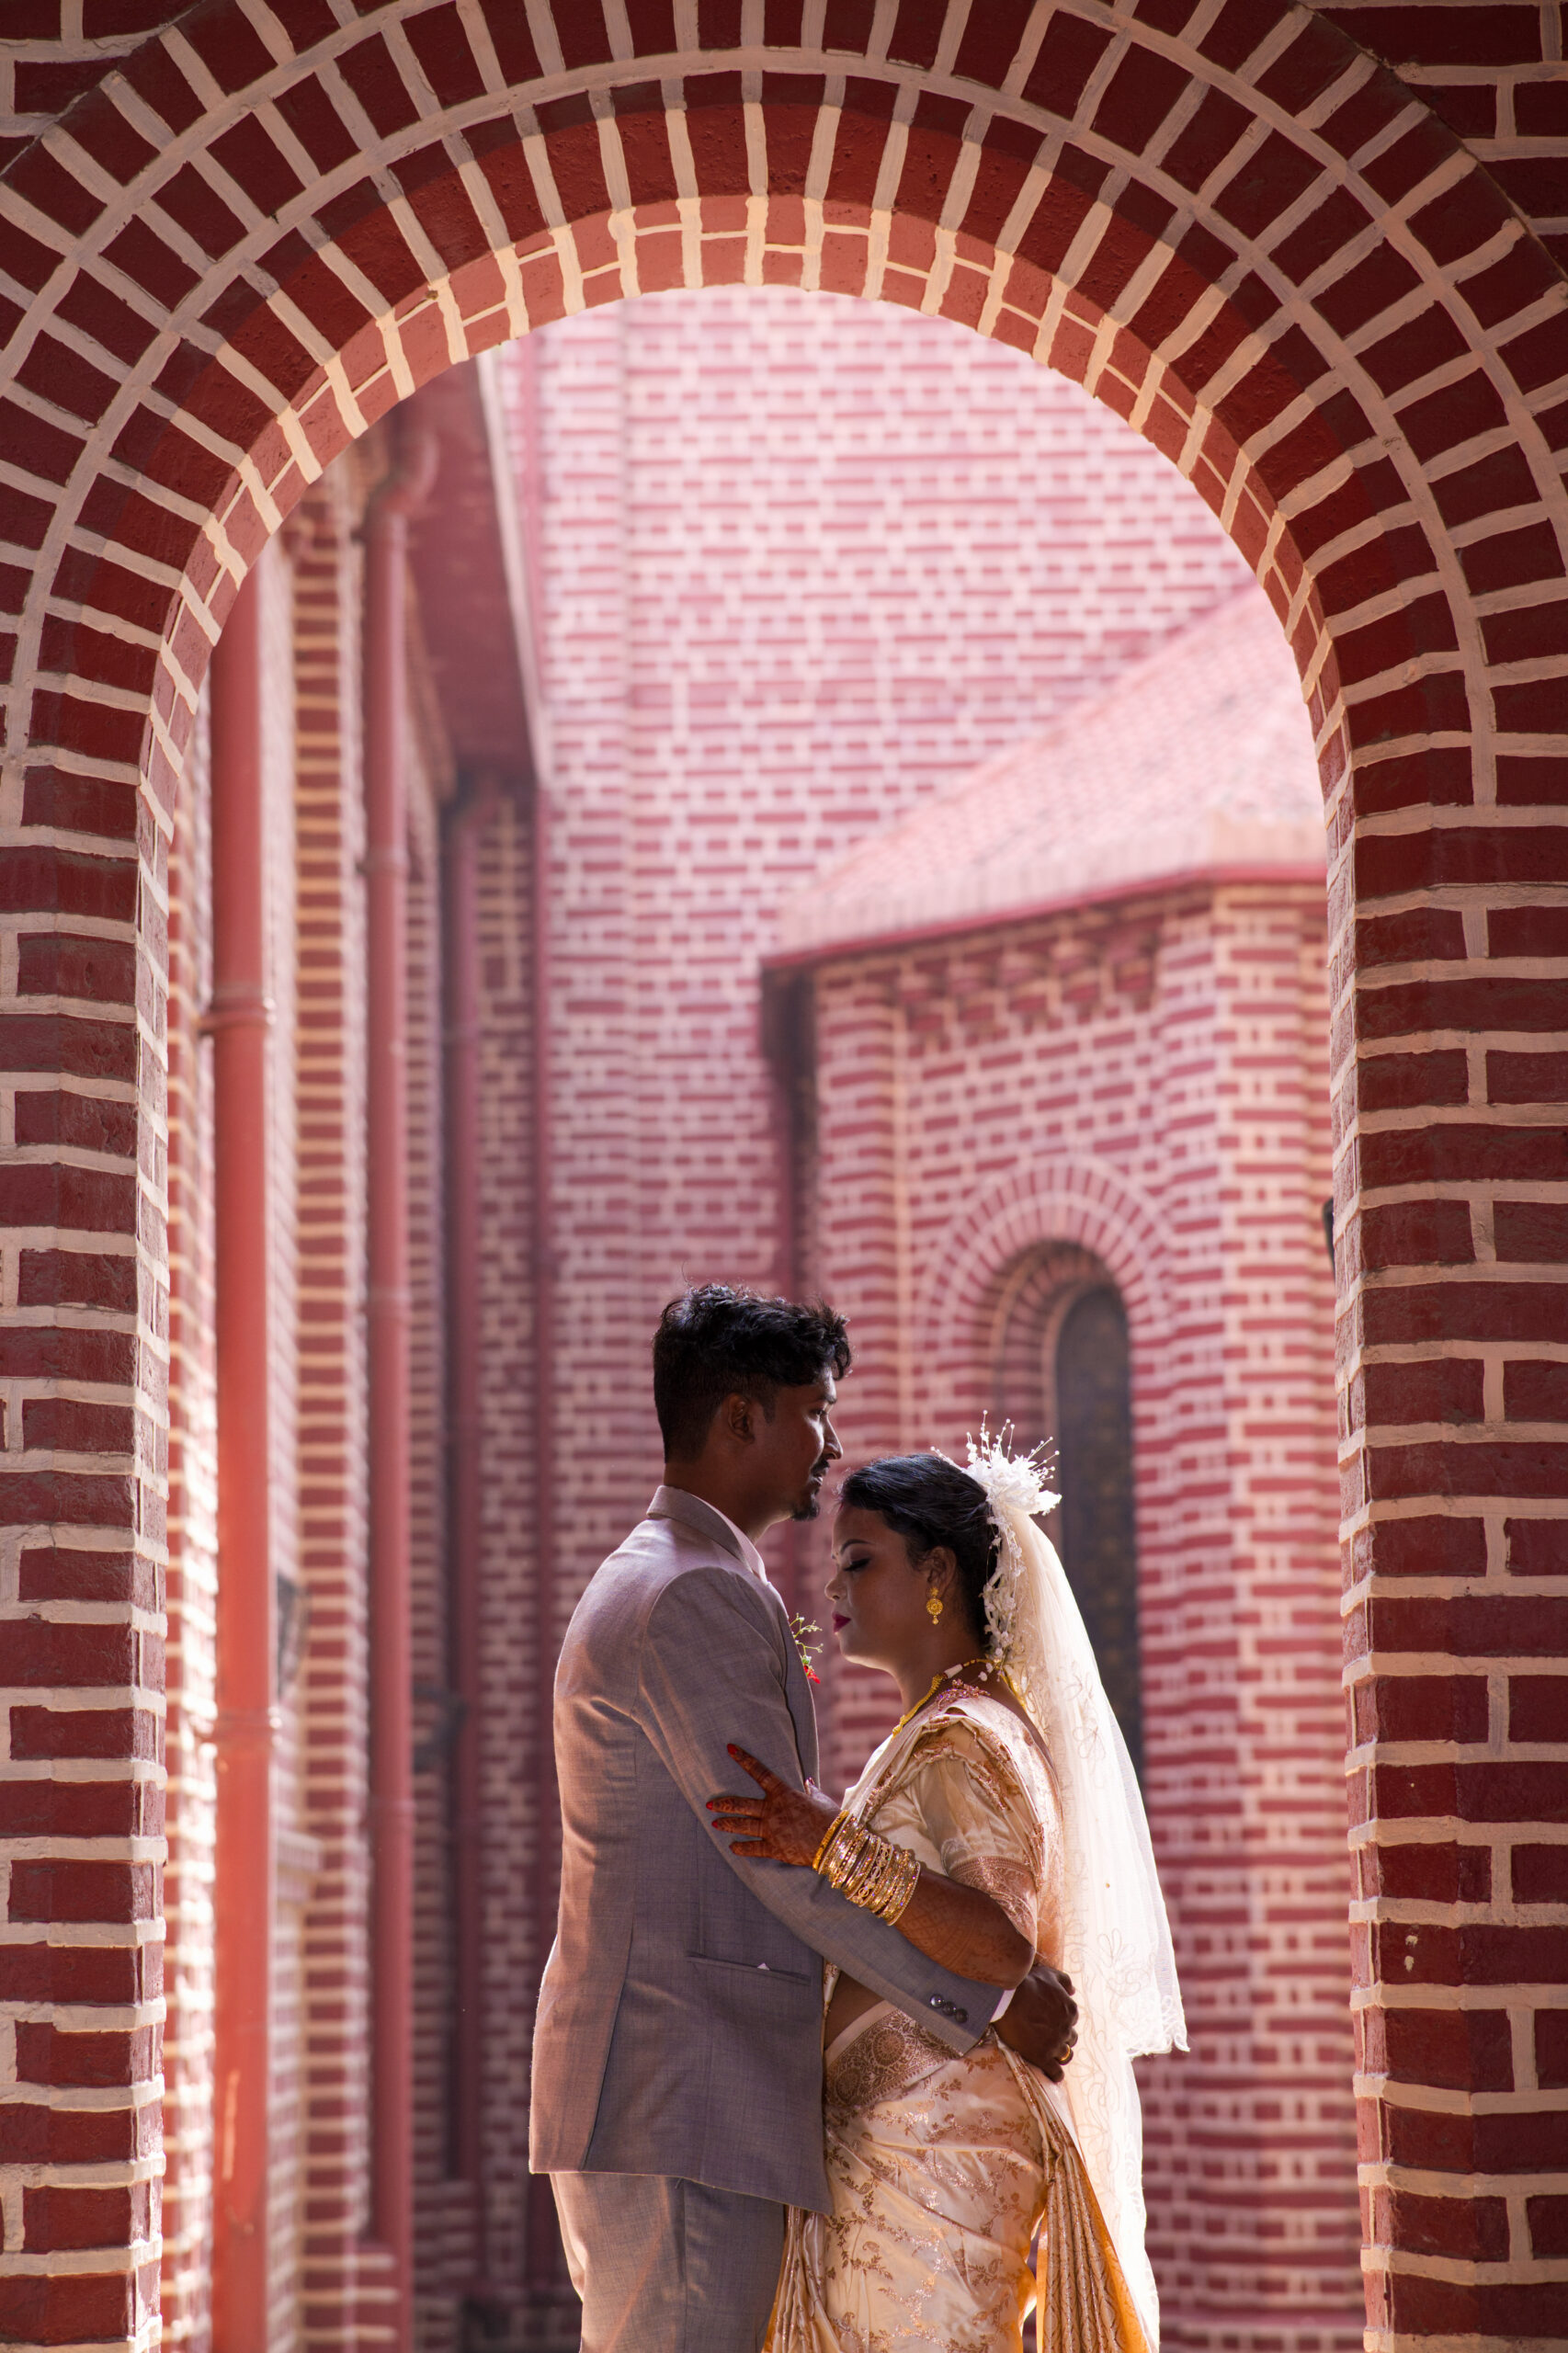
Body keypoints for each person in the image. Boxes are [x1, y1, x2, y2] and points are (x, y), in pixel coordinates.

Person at [528, 1288, 1079, 2353]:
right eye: (814, 1410)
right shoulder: (690, 1594)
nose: (828, 1440)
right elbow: (778, 1860)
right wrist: (990, 1996)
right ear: (742, 1416)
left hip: (683, 2095)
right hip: (683, 2092)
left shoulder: (684, 1575)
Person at [711, 1438, 1187, 2353]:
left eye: (859, 1561)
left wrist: (829, 1845)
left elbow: (1001, 1942)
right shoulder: (944, 1726)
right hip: (898, 2148)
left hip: (933, 2160)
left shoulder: (966, 1736)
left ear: (936, 1573)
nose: (833, 1586)